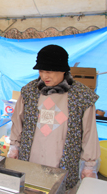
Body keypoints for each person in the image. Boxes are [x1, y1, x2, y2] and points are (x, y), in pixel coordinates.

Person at [7, 44, 101, 191]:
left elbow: (89, 134)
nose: (44, 76)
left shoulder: (81, 95)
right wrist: (14, 147)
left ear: (63, 70)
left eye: (49, 71)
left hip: (63, 162)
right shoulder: (29, 92)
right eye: (41, 71)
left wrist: (89, 165)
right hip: (31, 160)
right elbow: (17, 122)